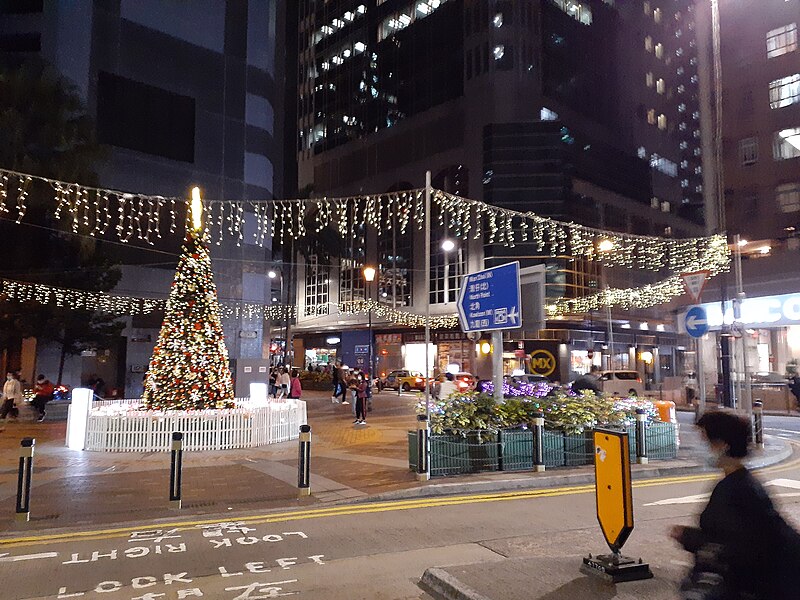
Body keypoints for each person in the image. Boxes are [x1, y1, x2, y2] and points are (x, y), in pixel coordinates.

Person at [671, 410, 800, 599]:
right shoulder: (740, 482)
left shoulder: (737, 489)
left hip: (759, 587)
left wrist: (689, 537)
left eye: (705, 442)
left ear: (722, 445)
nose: (701, 448)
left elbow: (737, 546)